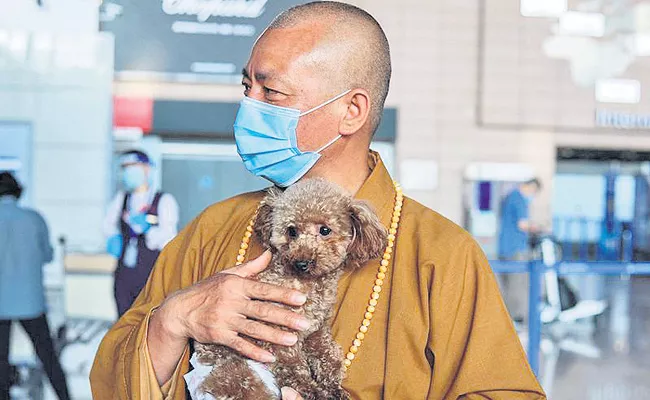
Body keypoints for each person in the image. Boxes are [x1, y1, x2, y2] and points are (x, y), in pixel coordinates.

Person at [91, 3, 546, 399]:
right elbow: (111, 376)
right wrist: (173, 321)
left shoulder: (441, 254)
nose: (249, 106)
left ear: (351, 110)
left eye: (271, 93)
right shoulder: (215, 227)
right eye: (246, 87)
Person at [0, 172, 71, 400]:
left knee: (0, 358)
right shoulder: (34, 218)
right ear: (18, 191)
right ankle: (64, 396)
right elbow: (47, 255)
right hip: (30, 301)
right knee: (47, 355)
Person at [103, 150, 179, 317]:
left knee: (148, 320)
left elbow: (169, 239)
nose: (127, 172)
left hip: (151, 274)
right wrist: (113, 238)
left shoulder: (163, 200)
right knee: (123, 319)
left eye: (132, 167)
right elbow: (108, 224)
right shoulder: (122, 198)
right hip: (125, 272)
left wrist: (148, 230)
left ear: (146, 169)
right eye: (125, 168)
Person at [497, 178, 542, 322]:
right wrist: (537, 228)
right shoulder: (519, 199)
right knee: (517, 284)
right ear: (530, 187)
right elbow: (523, 224)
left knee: (509, 284)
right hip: (515, 248)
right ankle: (516, 319)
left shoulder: (510, 197)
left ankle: (508, 317)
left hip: (505, 247)